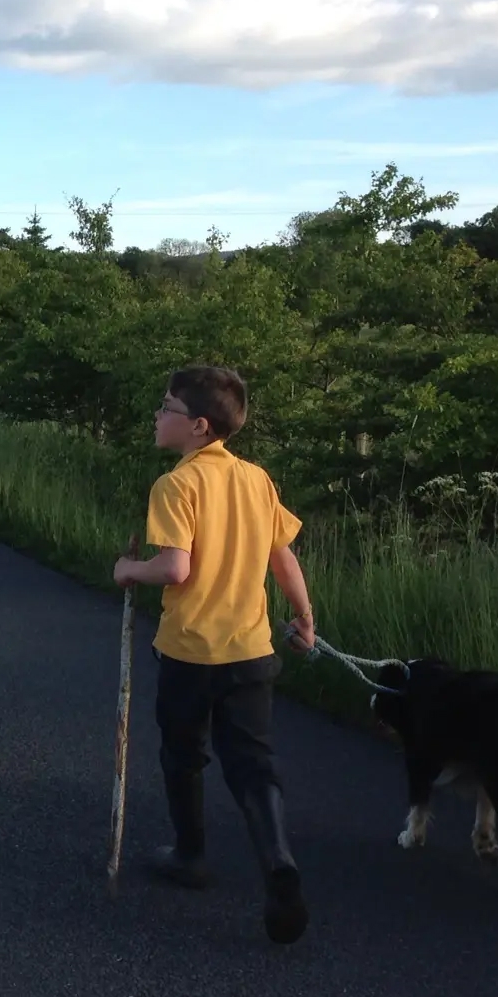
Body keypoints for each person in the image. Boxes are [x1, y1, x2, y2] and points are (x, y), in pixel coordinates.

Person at [113, 365, 315, 945]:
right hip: (251, 651)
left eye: (167, 406)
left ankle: (191, 854)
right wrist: (302, 616)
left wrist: (129, 569)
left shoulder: (176, 485)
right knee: (252, 761)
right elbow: (282, 557)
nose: (158, 414)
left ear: (198, 427)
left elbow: (176, 568)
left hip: (190, 651)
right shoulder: (257, 479)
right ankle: (278, 861)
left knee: (183, 754)